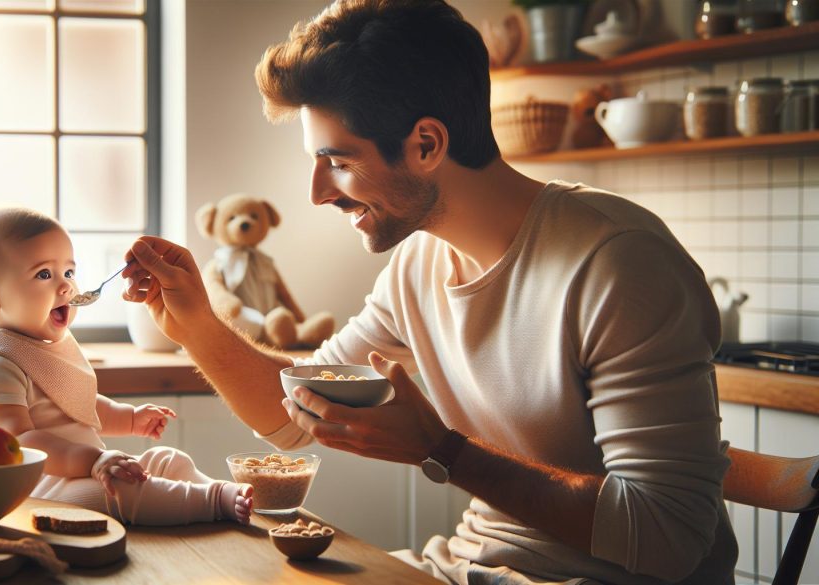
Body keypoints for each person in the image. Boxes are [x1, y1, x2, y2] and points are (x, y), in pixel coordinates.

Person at [119, 0, 736, 583]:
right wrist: (197, 325)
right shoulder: (419, 262)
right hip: (463, 567)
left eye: (336, 160)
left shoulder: (618, 262)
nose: (318, 192)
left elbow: (667, 537)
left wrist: (442, 451)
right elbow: (295, 414)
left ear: (427, 144)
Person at [0, 206, 253, 527]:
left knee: (168, 459)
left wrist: (129, 419)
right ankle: (212, 500)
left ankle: (204, 489)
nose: (66, 287)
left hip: (82, 471)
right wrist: (93, 460)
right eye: (44, 274)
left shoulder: (43, 349)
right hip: (40, 490)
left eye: (69, 273)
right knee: (122, 491)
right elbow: (20, 442)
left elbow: (79, 406)